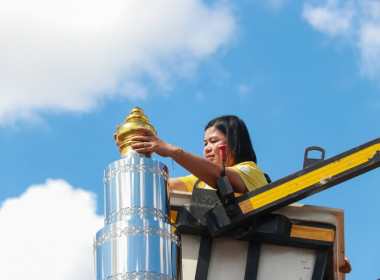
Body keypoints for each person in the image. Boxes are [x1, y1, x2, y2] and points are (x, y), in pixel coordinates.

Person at [130, 115, 269, 193]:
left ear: (234, 143)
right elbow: (159, 185)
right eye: (205, 144)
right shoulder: (199, 181)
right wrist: (135, 151)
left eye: (213, 141)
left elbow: (220, 176)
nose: (207, 149)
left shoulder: (250, 171)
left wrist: (172, 151)